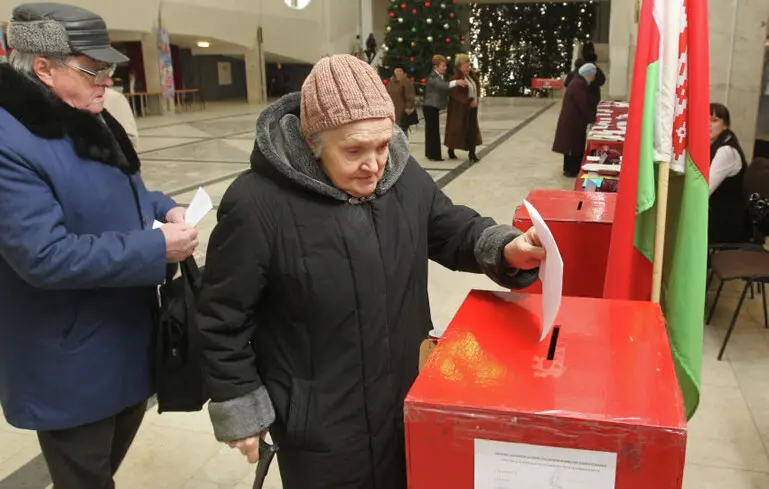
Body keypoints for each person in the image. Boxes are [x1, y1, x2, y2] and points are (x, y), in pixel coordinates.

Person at [196, 54, 545, 489]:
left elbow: (450, 227)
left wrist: (507, 247)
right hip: (320, 429)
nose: (375, 164)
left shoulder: (401, 175)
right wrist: (240, 405)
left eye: (382, 145)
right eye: (354, 150)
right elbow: (220, 317)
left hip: (406, 400)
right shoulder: (257, 204)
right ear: (312, 142)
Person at [0, 4, 199, 488]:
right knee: (86, 476)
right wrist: (155, 251)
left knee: (104, 462)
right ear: (43, 68)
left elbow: (120, 190)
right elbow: (42, 256)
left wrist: (163, 208)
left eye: (108, 69)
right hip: (69, 356)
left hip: (122, 335)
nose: (107, 81)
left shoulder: (83, 113)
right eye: (94, 69)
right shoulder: (10, 141)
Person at [709, 103, 749, 243]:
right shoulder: (712, 145)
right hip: (714, 213)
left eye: (714, 121)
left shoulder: (726, 152)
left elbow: (704, 190)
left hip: (725, 222)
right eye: (705, 119)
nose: (708, 125)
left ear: (725, 125)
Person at [552, 62, 597, 177]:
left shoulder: (578, 82)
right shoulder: (578, 84)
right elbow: (583, 104)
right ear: (588, 74)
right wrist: (592, 118)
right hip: (573, 121)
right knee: (573, 146)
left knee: (571, 146)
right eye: (593, 75)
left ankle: (569, 169)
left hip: (573, 120)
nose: (593, 78)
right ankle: (572, 170)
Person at [423, 54, 467, 161]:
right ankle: (435, 155)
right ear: (436, 67)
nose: (445, 68)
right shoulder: (434, 76)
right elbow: (443, 86)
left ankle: (430, 154)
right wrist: (456, 82)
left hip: (433, 106)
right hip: (430, 106)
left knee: (431, 131)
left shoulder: (439, 76)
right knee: (433, 132)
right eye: (443, 66)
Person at [445, 53, 482, 163]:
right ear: (459, 67)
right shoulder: (455, 79)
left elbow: (476, 88)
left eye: (468, 65)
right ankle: (451, 149)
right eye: (465, 66)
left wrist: (475, 101)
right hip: (459, 111)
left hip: (471, 109)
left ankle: (472, 153)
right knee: (456, 131)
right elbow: (455, 94)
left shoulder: (471, 77)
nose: (468, 68)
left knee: (471, 131)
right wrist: (469, 101)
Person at [386, 65, 416, 136]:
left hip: (402, 111)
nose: (398, 72)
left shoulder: (406, 82)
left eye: (400, 71)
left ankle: (403, 145)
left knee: (402, 130)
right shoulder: (391, 82)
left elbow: (410, 96)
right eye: (396, 70)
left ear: (403, 72)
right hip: (392, 110)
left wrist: (409, 108)